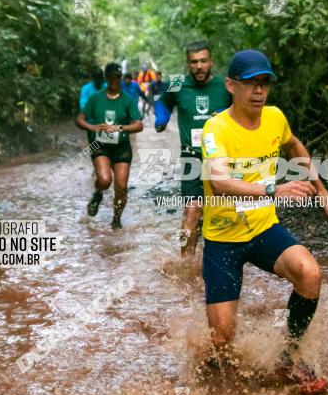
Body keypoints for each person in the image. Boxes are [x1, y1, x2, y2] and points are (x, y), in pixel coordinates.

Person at [200, 49, 328, 394]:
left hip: (263, 229)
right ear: (231, 85)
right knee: (220, 343)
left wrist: (321, 188)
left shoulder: (275, 117)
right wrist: (273, 190)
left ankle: (287, 357)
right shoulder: (215, 129)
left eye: (264, 84)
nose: (259, 91)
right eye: (251, 84)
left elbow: (294, 145)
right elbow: (219, 182)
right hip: (223, 240)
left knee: (310, 273)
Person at [155, 41, 231, 257]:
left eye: (203, 61)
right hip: (192, 159)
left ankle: (218, 259)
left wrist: (224, 113)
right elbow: (162, 102)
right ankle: (184, 259)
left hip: (221, 159)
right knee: (191, 212)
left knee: (219, 214)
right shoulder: (177, 84)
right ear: (187, 63)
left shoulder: (225, 86)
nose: (199, 66)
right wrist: (162, 118)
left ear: (211, 62)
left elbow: (242, 110)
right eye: (194, 62)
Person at [75, 62, 144, 229]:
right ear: (106, 78)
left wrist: (122, 127)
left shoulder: (127, 99)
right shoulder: (95, 98)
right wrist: (92, 127)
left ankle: (116, 221)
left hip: (121, 146)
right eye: (111, 77)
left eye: (118, 77)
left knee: (121, 187)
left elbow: (139, 125)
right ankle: (98, 193)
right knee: (105, 180)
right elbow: (80, 119)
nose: (115, 80)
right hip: (100, 145)